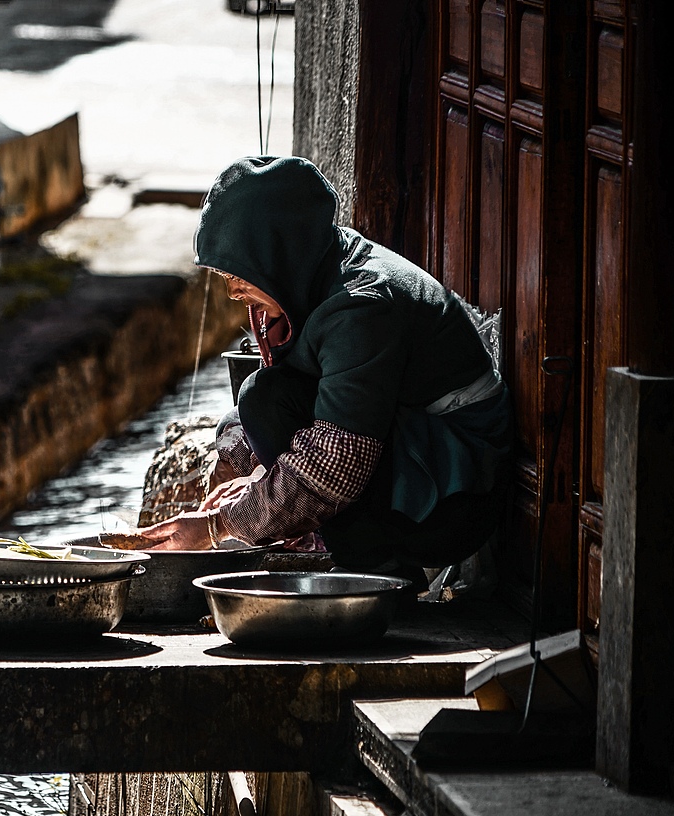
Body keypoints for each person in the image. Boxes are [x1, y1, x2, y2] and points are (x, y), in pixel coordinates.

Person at [136, 156, 513, 579]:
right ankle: (357, 553)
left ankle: (378, 570)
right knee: (260, 398)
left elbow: (336, 463)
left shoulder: (362, 306)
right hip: (409, 442)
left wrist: (218, 526)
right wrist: (235, 464)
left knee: (270, 406)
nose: (232, 291)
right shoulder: (316, 261)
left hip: (458, 491)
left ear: (279, 253)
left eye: (240, 275)